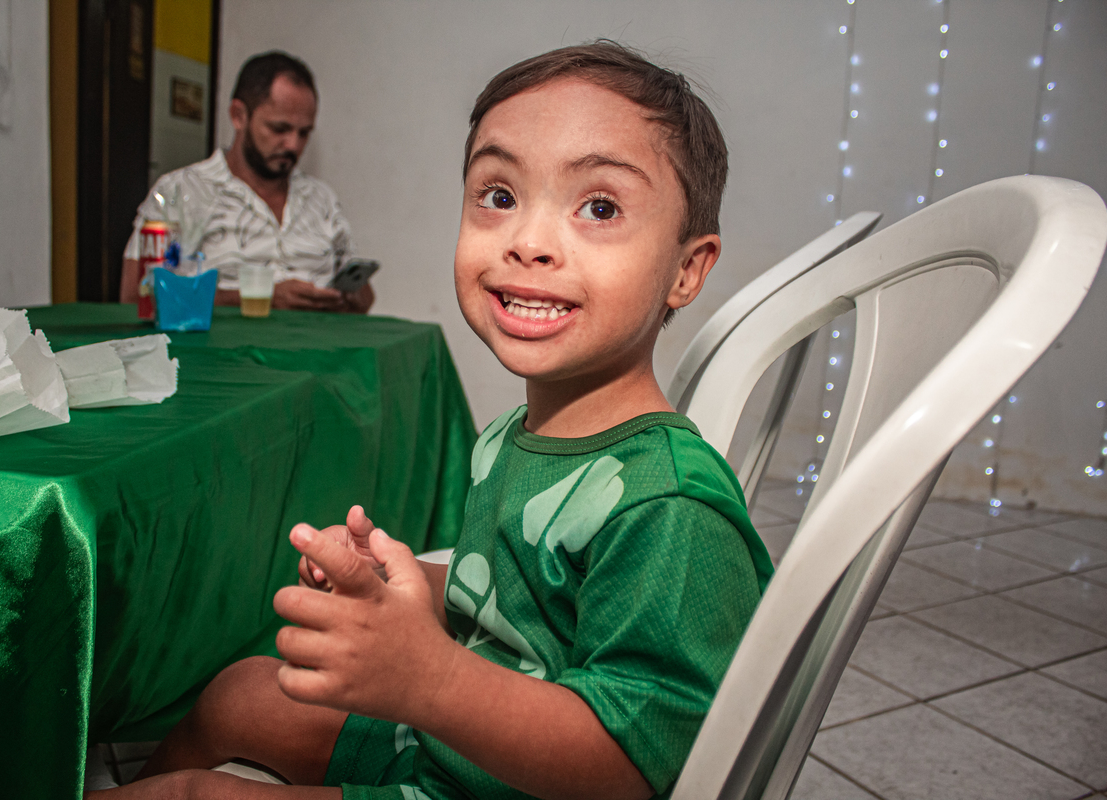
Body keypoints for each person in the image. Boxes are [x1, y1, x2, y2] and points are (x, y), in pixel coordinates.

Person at [94, 41, 772, 799]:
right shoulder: (513, 438)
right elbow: (520, 593)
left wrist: (431, 679)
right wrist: (412, 580)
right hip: (456, 746)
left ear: (686, 269)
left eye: (600, 207)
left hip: (503, 776)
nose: (528, 241)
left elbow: (636, 767)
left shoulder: (668, 508)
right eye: (499, 195)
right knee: (242, 691)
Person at [120, 51, 374, 313]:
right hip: (223, 352)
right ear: (238, 115)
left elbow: (363, 296)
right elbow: (135, 296)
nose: (293, 145)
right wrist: (259, 298)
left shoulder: (322, 200)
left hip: (320, 348)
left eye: (304, 133)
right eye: (279, 129)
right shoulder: (179, 192)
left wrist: (352, 297)